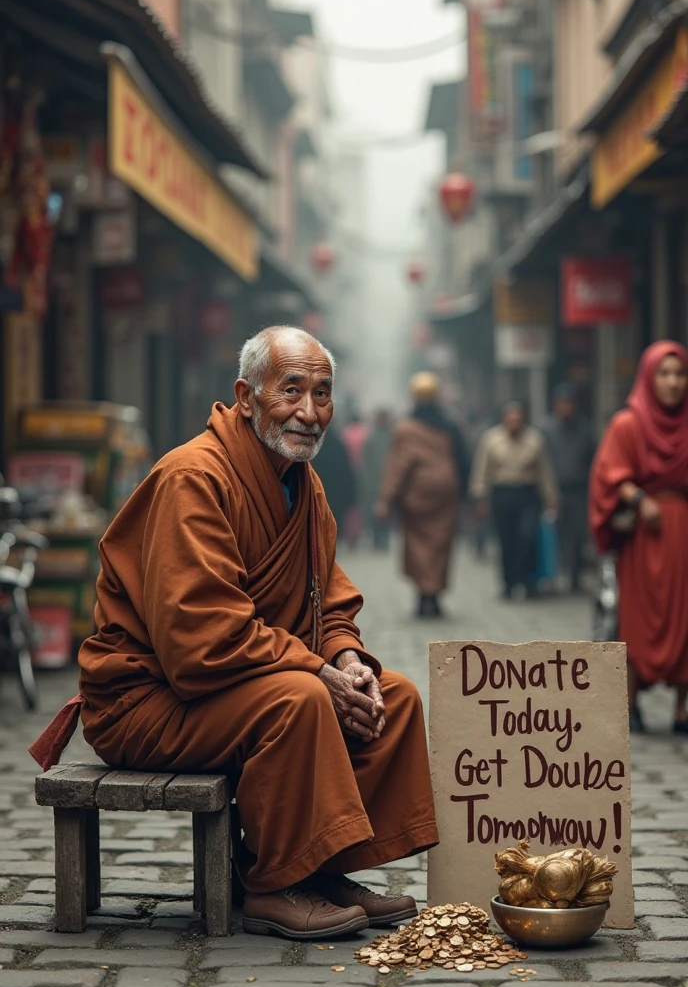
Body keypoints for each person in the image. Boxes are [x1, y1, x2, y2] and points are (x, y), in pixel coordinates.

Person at [30, 326, 438, 940]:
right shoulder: (193, 479)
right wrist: (316, 672)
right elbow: (201, 636)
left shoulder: (303, 484)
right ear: (245, 397)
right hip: (149, 698)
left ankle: (323, 868)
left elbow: (326, 594)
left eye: (323, 394)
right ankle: (269, 883)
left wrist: (347, 657)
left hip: (229, 686)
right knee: (301, 700)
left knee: (392, 697)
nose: (309, 412)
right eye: (291, 391)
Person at [589, 340, 688, 735]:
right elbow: (609, 475)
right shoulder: (627, 424)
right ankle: (631, 704)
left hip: (682, 535)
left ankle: (683, 709)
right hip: (643, 539)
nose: (673, 382)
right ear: (648, 377)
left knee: (684, 618)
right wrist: (639, 497)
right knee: (636, 619)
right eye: (664, 374)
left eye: (680, 374)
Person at [376, 372, 468, 618]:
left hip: (416, 494)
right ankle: (435, 596)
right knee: (440, 546)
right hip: (446, 492)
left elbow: (398, 466)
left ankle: (422, 597)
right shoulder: (450, 425)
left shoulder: (405, 428)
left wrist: (386, 499)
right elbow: (463, 460)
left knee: (417, 546)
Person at [471, 401, 558, 599]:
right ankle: (508, 582)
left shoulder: (535, 440)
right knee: (506, 540)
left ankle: (528, 580)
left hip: (528, 494)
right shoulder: (492, 439)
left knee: (527, 537)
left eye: (518, 418)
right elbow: (482, 470)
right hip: (502, 494)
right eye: (510, 418)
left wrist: (551, 498)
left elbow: (545, 472)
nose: (514, 422)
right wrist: (480, 496)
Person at [540, 385, 596, 593]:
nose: (566, 408)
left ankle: (575, 576)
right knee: (556, 535)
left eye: (569, 403)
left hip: (580, 490)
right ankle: (554, 576)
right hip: (555, 490)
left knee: (579, 534)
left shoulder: (585, 429)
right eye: (562, 403)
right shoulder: (546, 430)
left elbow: (593, 460)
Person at [311, 421, 357, 535]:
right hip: (336, 502)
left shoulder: (311, 446)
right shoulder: (339, 445)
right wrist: (350, 499)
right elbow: (347, 474)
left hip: (315, 499)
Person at [362, 409, 393, 551]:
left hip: (384, 481)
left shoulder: (391, 438)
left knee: (383, 511)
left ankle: (383, 538)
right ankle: (378, 539)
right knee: (377, 512)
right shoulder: (372, 438)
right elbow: (366, 461)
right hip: (376, 481)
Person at [340, 413, 369, 548]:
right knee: (359, 503)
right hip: (363, 472)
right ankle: (357, 533)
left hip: (347, 471)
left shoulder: (345, 434)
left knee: (349, 503)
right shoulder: (366, 432)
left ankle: (348, 534)